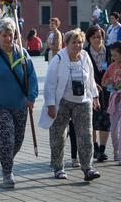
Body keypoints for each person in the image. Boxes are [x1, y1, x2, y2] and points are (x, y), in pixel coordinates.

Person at [0, 18, 39, 188]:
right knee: (7, 136)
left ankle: (6, 160)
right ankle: (7, 173)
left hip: (20, 104)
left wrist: (32, 97)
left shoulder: (22, 53)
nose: (7, 38)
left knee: (17, 140)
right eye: (3, 35)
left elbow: (32, 77)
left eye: (10, 35)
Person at [40, 28, 101, 181]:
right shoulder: (58, 59)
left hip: (82, 102)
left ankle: (88, 168)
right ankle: (58, 167)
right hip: (62, 102)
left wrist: (94, 96)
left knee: (85, 134)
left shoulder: (85, 57)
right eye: (74, 42)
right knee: (58, 135)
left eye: (80, 42)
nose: (77, 45)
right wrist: (51, 105)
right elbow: (50, 84)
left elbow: (91, 78)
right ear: (66, 44)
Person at [85, 25, 112, 162]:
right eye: (94, 37)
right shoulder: (85, 53)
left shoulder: (109, 52)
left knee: (106, 120)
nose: (97, 39)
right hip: (90, 91)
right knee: (92, 120)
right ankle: (94, 148)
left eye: (99, 36)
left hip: (107, 91)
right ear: (89, 39)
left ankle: (102, 149)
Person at [102, 42, 121, 165]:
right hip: (114, 100)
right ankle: (116, 150)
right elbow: (103, 82)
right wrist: (108, 81)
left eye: (115, 55)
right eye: (112, 55)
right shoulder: (111, 67)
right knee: (113, 129)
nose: (113, 58)